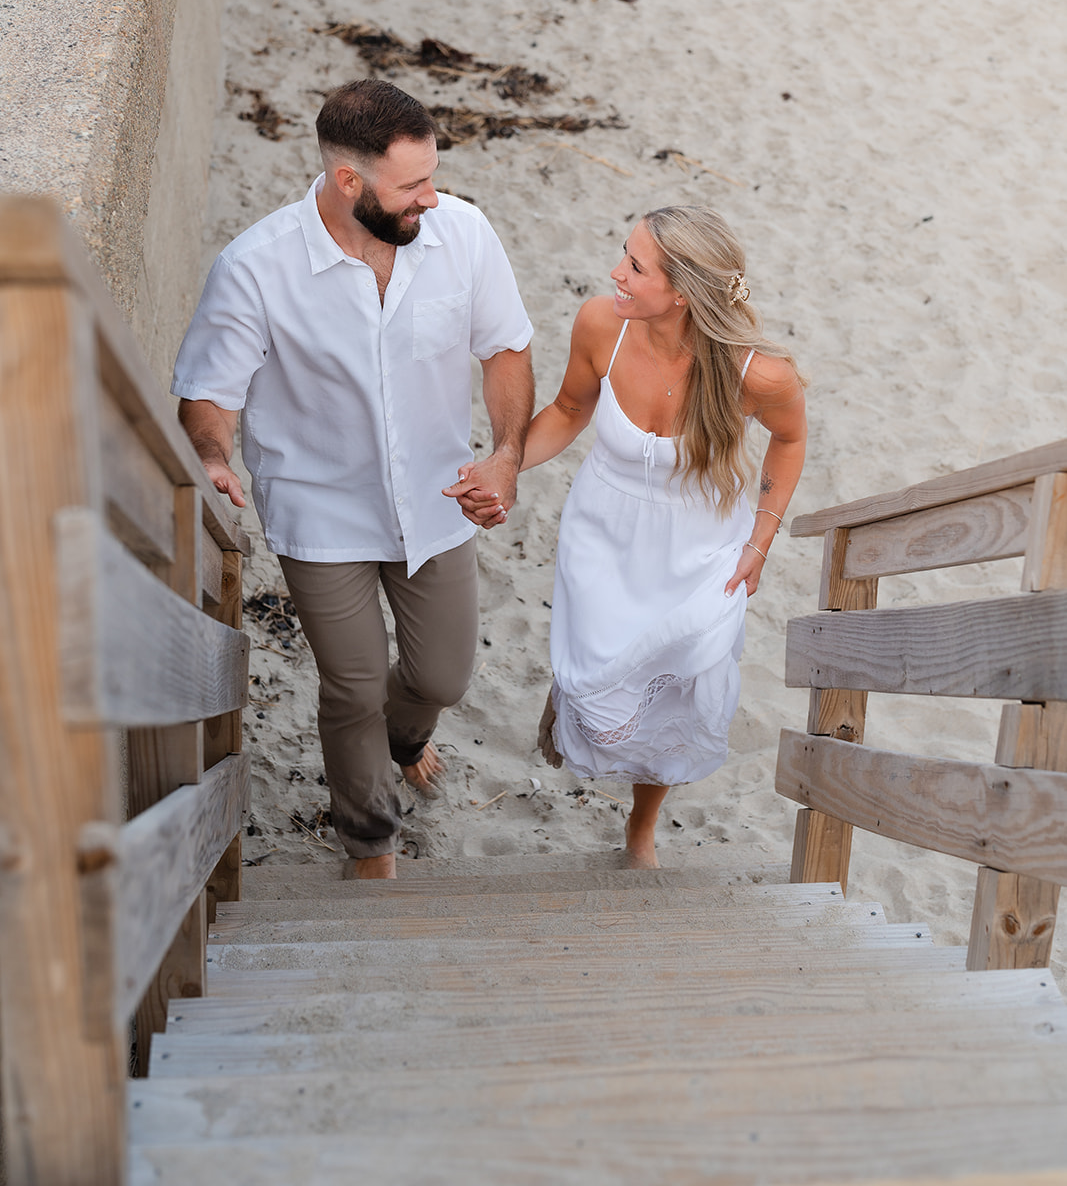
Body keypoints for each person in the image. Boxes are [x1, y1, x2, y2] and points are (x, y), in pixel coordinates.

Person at [172, 79, 534, 880]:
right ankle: (370, 842)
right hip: (320, 509)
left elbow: (505, 347)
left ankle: (405, 741)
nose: (431, 199)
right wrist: (212, 456)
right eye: (411, 186)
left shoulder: (463, 233)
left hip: (438, 502)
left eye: (432, 177)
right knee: (355, 684)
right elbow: (208, 393)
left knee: (440, 674)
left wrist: (505, 454)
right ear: (347, 182)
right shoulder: (254, 267)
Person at [458, 205, 806, 868]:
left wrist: (759, 542)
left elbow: (789, 441)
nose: (615, 273)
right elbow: (565, 412)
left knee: (676, 691)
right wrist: (502, 465)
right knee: (598, 677)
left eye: (635, 266)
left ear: (681, 293)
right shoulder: (601, 324)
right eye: (624, 253)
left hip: (700, 553)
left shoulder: (758, 375)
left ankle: (640, 830)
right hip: (602, 539)